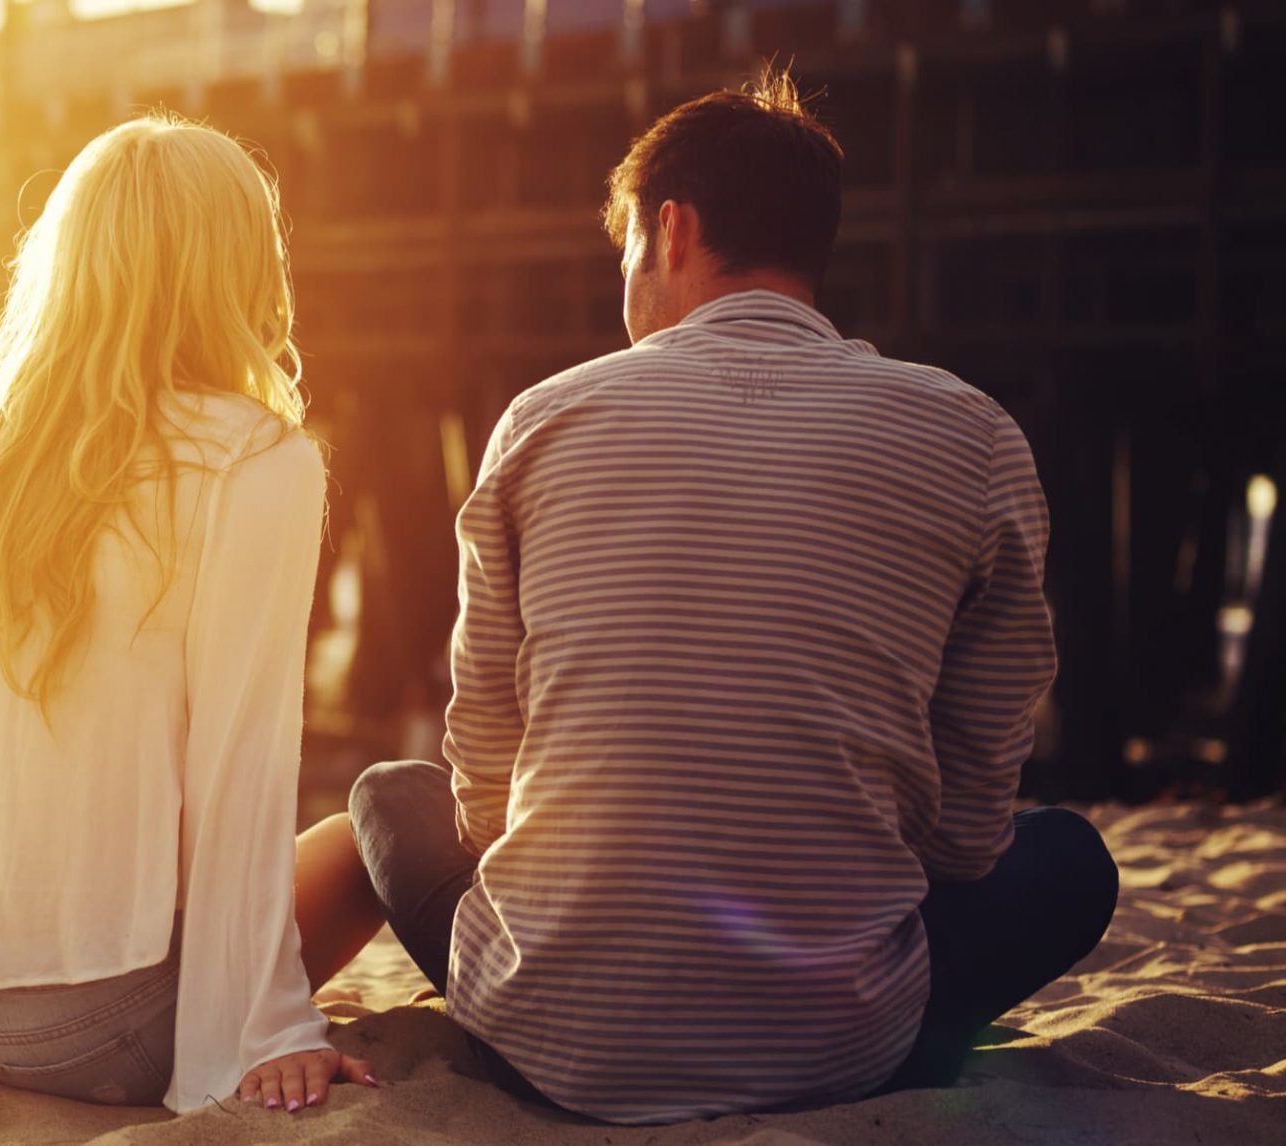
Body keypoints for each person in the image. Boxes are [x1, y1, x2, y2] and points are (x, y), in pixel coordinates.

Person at [294, 67, 1120, 1123]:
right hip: (847, 1046)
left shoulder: (543, 421)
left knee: (382, 793)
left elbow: (482, 789)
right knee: (1069, 860)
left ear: (671, 230)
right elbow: (964, 836)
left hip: (542, 1040)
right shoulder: (972, 435)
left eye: (626, 251)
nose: (626, 282)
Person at [0, 114, 372, 1114]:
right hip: (73, 1031)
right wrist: (264, 1030)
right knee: (369, 837)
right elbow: (239, 769)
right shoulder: (257, 463)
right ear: (240, 261)